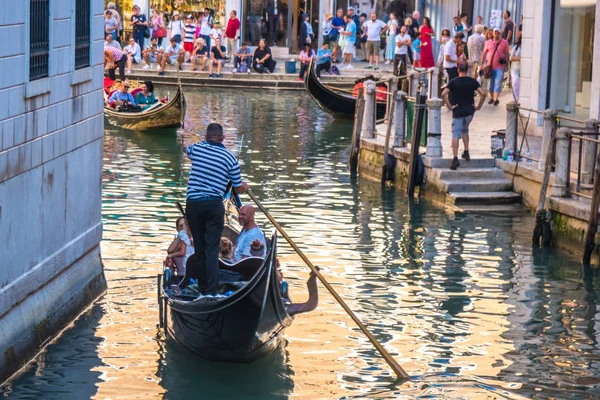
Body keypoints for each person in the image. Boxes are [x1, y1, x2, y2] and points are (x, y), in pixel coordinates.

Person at [186, 123, 249, 295]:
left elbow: (187, 150)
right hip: (214, 205)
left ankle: (202, 288)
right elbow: (237, 188)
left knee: (199, 248)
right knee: (211, 250)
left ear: (206, 137)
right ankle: (212, 292)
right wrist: (245, 187)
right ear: (223, 138)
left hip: (194, 205)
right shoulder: (230, 159)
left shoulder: (196, 149)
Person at [442, 62, 486, 170]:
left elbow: (443, 94)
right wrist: (478, 106)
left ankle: (455, 158)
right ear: (467, 70)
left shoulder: (453, 82)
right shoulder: (472, 81)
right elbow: (483, 93)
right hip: (469, 112)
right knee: (465, 130)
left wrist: (450, 106)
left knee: (455, 134)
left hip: (458, 112)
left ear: (458, 70)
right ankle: (466, 151)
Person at [480, 28, 509, 106]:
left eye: (498, 33)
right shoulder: (488, 42)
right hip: (490, 66)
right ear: (493, 33)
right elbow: (484, 54)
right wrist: (481, 64)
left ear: (500, 34)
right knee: (491, 83)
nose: (496, 34)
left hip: (500, 66)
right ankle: (492, 98)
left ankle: (496, 99)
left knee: (498, 82)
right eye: (495, 33)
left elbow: (506, 54)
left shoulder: (504, 43)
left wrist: (507, 65)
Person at [510, 31, 522, 100]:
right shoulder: (516, 47)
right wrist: (521, 59)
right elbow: (511, 57)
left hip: (524, 70)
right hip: (515, 70)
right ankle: (516, 100)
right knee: (515, 84)